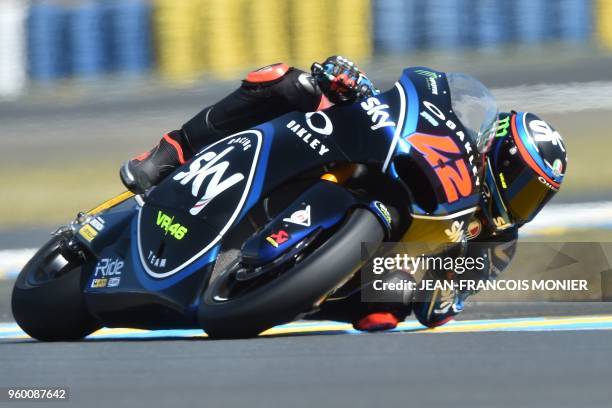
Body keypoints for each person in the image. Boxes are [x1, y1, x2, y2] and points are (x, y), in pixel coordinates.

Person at [120, 56, 568, 332]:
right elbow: (392, 107)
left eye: (537, 198)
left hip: (356, 297)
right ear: (495, 154)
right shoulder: (455, 155)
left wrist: (438, 279)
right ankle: (173, 149)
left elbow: (439, 311)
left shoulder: (497, 245)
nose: (524, 205)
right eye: (524, 188)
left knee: (388, 301)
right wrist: (347, 83)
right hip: (350, 182)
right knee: (287, 81)